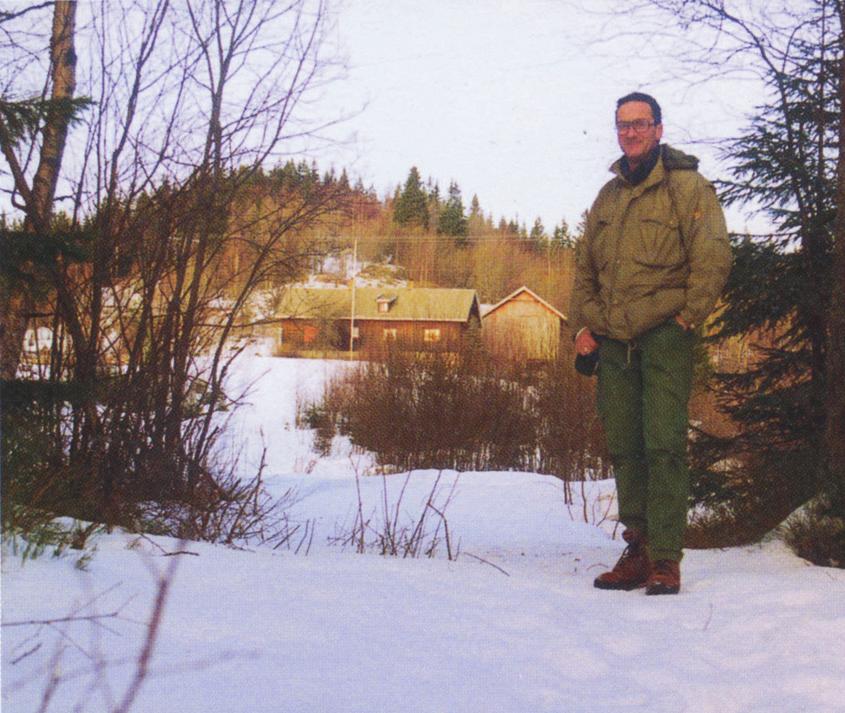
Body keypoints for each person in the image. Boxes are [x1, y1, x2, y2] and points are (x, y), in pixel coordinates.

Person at [569, 92, 732, 594]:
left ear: (659, 129)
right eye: (623, 125)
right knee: (624, 447)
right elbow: (584, 270)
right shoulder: (608, 197)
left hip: (663, 336)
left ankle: (666, 559)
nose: (631, 133)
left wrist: (686, 318)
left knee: (663, 446)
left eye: (640, 124)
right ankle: (637, 549)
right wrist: (580, 327)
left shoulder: (688, 189)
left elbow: (713, 257)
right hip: (611, 342)